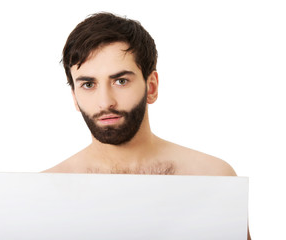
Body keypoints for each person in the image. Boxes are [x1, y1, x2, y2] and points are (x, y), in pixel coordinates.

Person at [42, 12, 250, 239]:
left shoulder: (214, 178)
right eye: (88, 84)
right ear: (74, 95)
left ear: (151, 87)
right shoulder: (42, 193)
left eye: (121, 81)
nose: (105, 102)